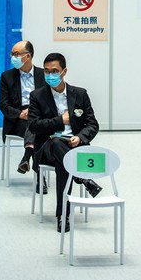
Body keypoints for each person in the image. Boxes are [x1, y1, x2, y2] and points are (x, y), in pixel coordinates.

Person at [28, 53, 101, 232]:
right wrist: (60, 121)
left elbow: (92, 124)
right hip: (48, 147)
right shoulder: (37, 96)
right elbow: (34, 126)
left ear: (64, 71)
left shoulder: (80, 94)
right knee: (57, 144)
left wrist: (81, 137)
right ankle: (82, 178)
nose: (49, 75)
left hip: (75, 147)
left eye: (54, 71)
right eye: (46, 71)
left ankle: (63, 216)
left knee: (64, 164)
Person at [0, 40, 45, 174]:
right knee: (37, 129)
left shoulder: (43, 75)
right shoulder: (6, 77)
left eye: (16, 54)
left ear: (28, 56)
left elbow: (49, 100)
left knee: (36, 124)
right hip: (17, 120)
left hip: (39, 115)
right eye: (11, 54)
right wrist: (20, 114)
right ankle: (39, 177)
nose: (13, 58)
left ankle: (26, 158)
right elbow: (3, 104)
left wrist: (34, 112)